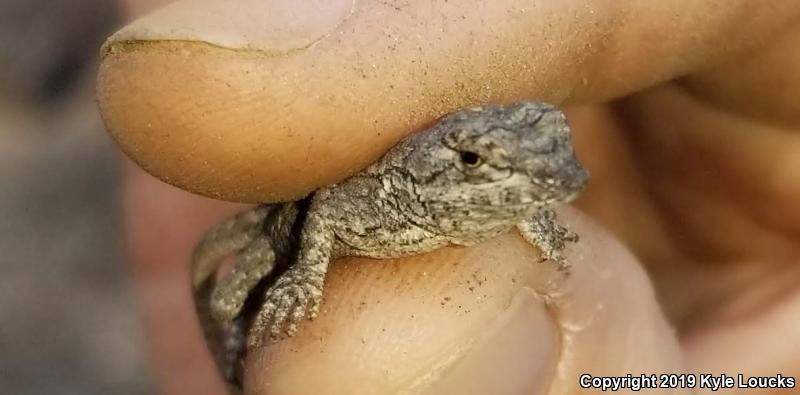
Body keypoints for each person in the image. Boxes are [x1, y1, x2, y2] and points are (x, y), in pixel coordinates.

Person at [103, 1, 800, 394]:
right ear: (451, 163)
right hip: (292, 213)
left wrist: (540, 224)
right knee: (226, 298)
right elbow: (332, 213)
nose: (531, 181)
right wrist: (307, 276)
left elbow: (525, 186)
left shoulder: (508, 190)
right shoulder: (389, 199)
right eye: (478, 163)